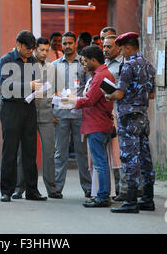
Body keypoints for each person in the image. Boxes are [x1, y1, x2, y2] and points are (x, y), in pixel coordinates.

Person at [104, 32, 156, 214]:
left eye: (121, 49)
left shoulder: (128, 66)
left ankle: (131, 201)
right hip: (143, 116)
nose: (121, 53)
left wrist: (108, 95)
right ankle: (148, 198)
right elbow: (152, 95)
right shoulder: (149, 66)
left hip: (128, 117)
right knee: (144, 156)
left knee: (129, 157)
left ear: (127, 48)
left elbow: (119, 93)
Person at [62, 46, 115, 207]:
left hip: (97, 123)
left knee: (100, 163)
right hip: (100, 122)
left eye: (86, 61)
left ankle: (103, 196)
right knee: (101, 162)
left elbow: (90, 100)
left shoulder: (100, 76)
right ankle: (102, 194)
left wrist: (72, 102)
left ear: (93, 60)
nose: (84, 64)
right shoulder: (103, 74)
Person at [0, 30, 47, 202]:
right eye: (28, 48)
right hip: (11, 108)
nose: (30, 52)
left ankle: (32, 190)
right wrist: (29, 85)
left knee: (30, 150)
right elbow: (6, 86)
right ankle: (6, 190)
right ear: (18, 44)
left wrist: (40, 87)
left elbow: (37, 83)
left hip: (29, 107)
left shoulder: (33, 61)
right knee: (10, 151)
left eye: (32, 49)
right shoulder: (6, 60)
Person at [12, 37, 61, 200]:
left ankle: (51, 188)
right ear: (35, 50)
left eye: (47, 50)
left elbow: (57, 91)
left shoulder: (52, 68)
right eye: (41, 50)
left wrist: (57, 105)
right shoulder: (27, 66)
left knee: (49, 152)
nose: (44, 53)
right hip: (28, 114)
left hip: (46, 113)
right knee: (23, 152)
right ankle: (19, 188)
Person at [52, 31, 92, 198]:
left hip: (79, 115)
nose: (67, 46)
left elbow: (89, 87)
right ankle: (56, 188)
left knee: (82, 153)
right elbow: (50, 90)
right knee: (60, 153)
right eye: (64, 43)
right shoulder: (54, 65)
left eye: (70, 43)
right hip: (59, 115)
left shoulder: (83, 64)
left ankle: (88, 188)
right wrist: (51, 111)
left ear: (76, 44)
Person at [102, 34, 128, 201]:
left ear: (119, 48)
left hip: (120, 112)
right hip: (106, 114)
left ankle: (124, 189)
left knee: (121, 153)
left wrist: (111, 95)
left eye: (109, 46)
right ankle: (115, 189)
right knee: (111, 154)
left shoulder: (124, 65)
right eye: (104, 46)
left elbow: (121, 90)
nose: (105, 49)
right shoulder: (104, 64)